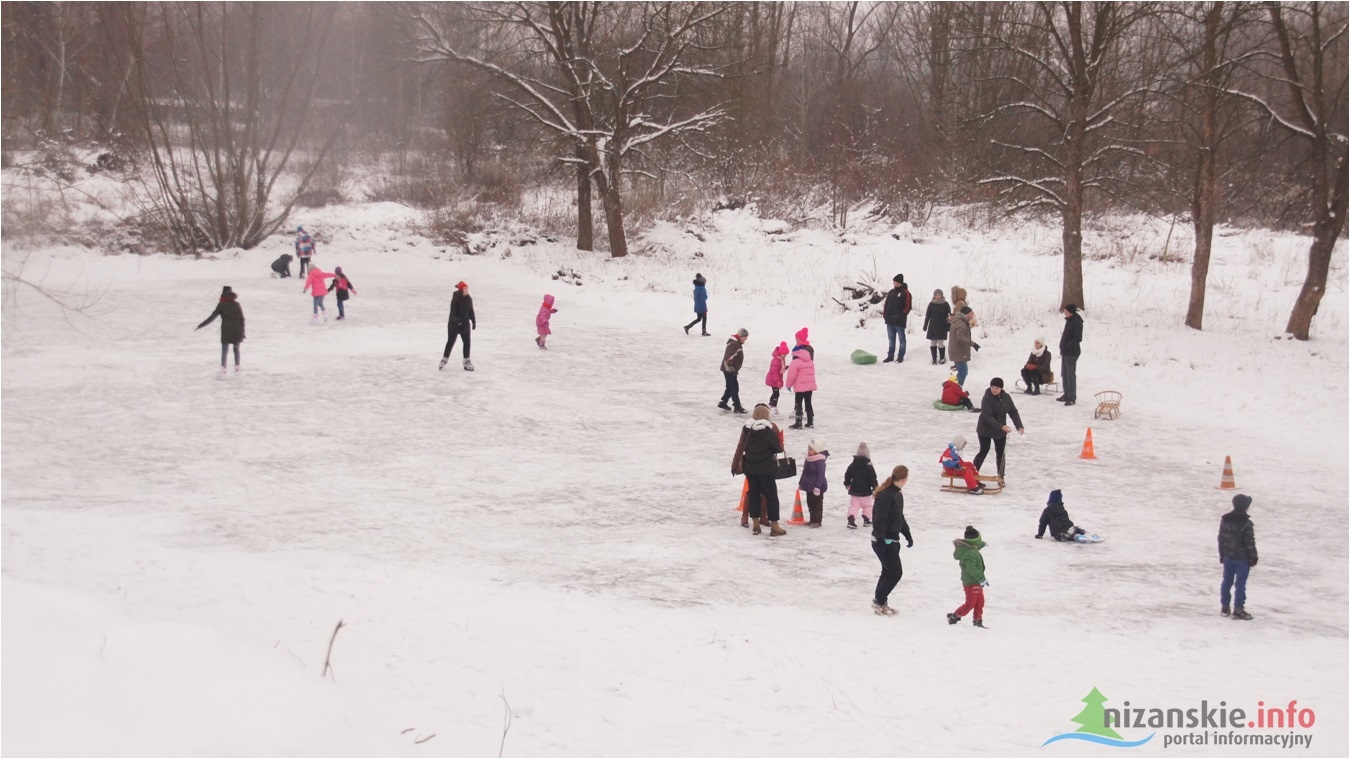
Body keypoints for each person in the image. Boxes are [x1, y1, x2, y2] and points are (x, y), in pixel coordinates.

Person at [731, 404, 787, 536]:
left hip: (751, 469)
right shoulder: (769, 430)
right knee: (771, 497)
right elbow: (777, 449)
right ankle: (774, 526)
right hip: (767, 470)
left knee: (754, 495)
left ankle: (756, 525)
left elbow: (740, 446)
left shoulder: (747, 430)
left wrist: (735, 464)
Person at [870, 465, 913, 616]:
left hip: (892, 540)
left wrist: (907, 534)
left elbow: (899, 517)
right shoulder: (885, 495)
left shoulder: (897, 494)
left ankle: (881, 601)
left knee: (888, 571)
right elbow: (879, 519)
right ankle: (878, 601)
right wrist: (881, 540)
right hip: (883, 540)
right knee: (895, 572)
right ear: (904, 479)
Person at [973, 378, 1024, 485]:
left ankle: (1001, 477)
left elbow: (1013, 412)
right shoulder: (986, 398)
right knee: (984, 450)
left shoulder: (1006, 397)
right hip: (985, 429)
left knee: (1000, 453)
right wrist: (1001, 426)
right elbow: (988, 416)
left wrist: (1019, 425)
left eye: (997, 388)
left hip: (1000, 431)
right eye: (992, 387)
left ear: (1001, 388)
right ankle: (973, 475)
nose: (994, 390)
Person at [1218, 494, 1258, 620]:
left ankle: (1225, 607)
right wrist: (1253, 557)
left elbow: (1221, 538)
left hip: (1228, 557)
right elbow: (1249, 542)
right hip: (1242, 559)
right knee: (1240, 584)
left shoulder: (1225, 520)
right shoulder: (1246, 523)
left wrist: (1222, 554)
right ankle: (1238, 609)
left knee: (1227, 581)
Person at [196, 285, 245, 377]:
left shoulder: (221, 305)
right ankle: (237, 369)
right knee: (236, 349)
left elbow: (212, 318)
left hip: (227, 330)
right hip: (237, 330)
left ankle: (223, 370)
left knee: (224, 351)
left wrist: (201, 325)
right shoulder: (236, 304)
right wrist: (242, 332)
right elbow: (242, 319)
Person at [947, 526, 988, 628]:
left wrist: (981, 544)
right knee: (970, 604)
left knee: (980, 602)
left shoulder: (971, 549)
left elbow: (974, 548)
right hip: (971, 582)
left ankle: (977, 620)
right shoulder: (969, 553)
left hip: (976, 581)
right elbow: (971, 568)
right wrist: (981, 578)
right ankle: (954, 616)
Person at [439, 281, 477, 371]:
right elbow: (452, 313)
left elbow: (471, 311)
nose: (467, 290)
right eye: (465, 289)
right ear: (461, 290)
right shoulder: (455, 299)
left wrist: (473, 321)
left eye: (467, 288)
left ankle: (467, 361)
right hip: (454, 325)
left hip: (465, 324)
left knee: (467, 342)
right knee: (450, 342)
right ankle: (444, 359)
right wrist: (457, 322)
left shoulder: (469, 299)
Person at [843, 442, 878, 530]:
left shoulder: (852, 465)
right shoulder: (869, 467)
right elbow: (873, 479)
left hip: (854, 491)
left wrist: (847, 483)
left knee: (854, 506)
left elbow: (847, 475)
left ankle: (851, 520)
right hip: (865, 492)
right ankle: (866, 520)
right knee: (867, 506)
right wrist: (876, 488)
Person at [785, 339, 818, 430]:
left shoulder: (795, 362)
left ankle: (798, 423)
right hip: (809, 387)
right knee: (808, 403)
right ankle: (810, 422)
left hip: (800, 387)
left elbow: (791, 375)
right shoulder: (810, 361)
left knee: (798, 404)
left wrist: (788, 385)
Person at [798, 439, 830, 527]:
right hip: (808, 485)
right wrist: (801, 483)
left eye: (811, 449)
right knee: (810, 503)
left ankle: (817, 521)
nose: (808, 451)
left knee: (817, 504)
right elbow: (804, 472)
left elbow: (821, 474)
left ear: (817, 450)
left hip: (817, 487)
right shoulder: (808, 459)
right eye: (808, 448)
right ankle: (812, 519)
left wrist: (818, 486)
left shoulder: (820, 461)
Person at [882, 274, 912, 363]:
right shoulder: (891, 292)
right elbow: (886, 304)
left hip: (899, 321)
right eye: (893, 282)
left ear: (899, 282)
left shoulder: (906, 293)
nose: (894, 283)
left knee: (901, 339)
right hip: (890, 320)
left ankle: (900, 356)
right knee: (891, 339)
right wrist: (885, 314)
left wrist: (902, 315)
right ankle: (890, 356)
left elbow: (908, 306)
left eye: (895, 282)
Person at [1058, 304, 1083, 405]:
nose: (1064, 313)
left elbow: (1078, 338)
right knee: (1064, 374)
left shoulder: (1077, 322)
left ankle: (1072, 397)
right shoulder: (1069, 321)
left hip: (1072, 353)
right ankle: (1066, 394)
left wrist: (1068, 345)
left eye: (1066, 311)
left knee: (1070, 375)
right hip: (1065, 352)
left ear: (1071, 312)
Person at [718, 328, 748, 413]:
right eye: (745, 337)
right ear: (741, 336)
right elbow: (729, 356)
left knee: (730, 387)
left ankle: (723, 402)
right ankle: (737, 406)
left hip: (731, 370)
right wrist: (730, 367)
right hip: (729, 370)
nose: (746, 339)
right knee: (734, 388)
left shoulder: (736, 343)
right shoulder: (734, 344)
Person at [923, 289, 951, 365]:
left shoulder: (945, 304)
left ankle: (942, 358)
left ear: (941, 295)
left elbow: (949, 316)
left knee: (940, 343)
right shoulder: (931, 304)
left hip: (942, 327)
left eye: (939, 295)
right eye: (936, 295)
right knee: (933, 343)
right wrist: (925, 325)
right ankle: (934, 359)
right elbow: (927, 316)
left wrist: (948, 326)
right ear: (934, 296)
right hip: (933, 327)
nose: (937, 296)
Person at [948, 305, 974, 387]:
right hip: (959, 352)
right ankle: (956, 389)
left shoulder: (960, 321)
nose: (972, 315)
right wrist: (972, 343)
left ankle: (954, 388)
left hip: (958, 351)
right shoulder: (961, 323)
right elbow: (960, 337)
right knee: (963, 372)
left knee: (961, 371)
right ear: (966, 314)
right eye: (971, 313)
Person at [764, 341, 789, 416]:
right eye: (784, 354)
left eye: (786, 354)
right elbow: (774, 372)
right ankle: (773, 407)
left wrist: (785, 368)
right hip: (773, 379)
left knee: (775, 393)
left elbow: (779, 369)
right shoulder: (776, 361)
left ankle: (771, 405)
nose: (785, 356)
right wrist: (777, 381)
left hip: (776, 379)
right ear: (780, 353)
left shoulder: (781, 359)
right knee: (776, 394)